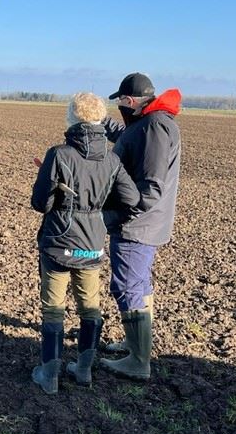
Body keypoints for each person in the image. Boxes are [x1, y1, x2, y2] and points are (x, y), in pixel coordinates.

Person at [30, 92, 140, 393]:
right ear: (100, 119)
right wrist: (101, 217)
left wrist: (51, 184)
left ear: (72, 118)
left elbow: (40, 203)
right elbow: (132, 200)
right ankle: (83, 371)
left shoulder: (59, 154)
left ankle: (49, 376)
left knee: (53, 309)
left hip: (57, 243)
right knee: (90, 308)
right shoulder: (112, 160)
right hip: (91, 245)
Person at [100, 73, 182, 380]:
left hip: (136, 226)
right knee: (139, 285)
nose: (119, 106)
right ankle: (137, 344)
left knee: (128, 287)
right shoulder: (148, 122)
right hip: (140, 223)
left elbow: (150, 188)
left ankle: (138, 360)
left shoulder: (155, 126)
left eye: (120, 101)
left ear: (129, 100)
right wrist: (101, 122)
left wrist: (120, 215)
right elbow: (130, 139)